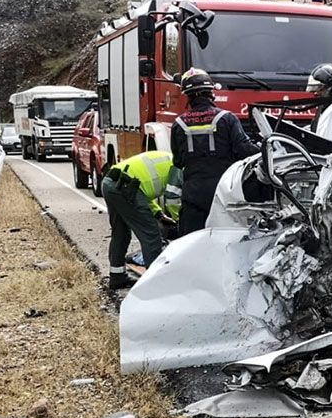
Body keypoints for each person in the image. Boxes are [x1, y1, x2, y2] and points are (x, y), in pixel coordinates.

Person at [172, 68, 258, 235]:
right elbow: (243, 149)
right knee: (224, 239)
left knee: (191, 241)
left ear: (187, 95)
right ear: (211, 93)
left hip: (193, 194)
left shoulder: (178, 124)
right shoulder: (227, 118)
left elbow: (177, 161)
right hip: (222, 191)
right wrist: (264, 149)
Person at [102, 150, 182, 289]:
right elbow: (172, 198)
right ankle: (155, 284)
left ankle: (117, 276)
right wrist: (179, 220)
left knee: (120, 233)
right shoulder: (179, 166)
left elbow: (143, 193)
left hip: (111, 183)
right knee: (151, 235)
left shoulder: (167, 157)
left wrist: (159, 215)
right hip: (126, 187)